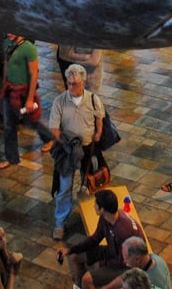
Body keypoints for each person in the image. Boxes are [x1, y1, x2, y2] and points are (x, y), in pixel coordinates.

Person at [49, 64, 105, 240]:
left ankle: (92, 219)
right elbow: (54, 128)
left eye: (75, 83)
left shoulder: (93, 99)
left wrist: (97, 133)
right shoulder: (60, 101)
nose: (71, 86)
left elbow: (99, 117)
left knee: (90, 185)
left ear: (83, 82)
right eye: (69, 83)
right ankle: (60, 223)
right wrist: (65, 143)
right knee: (65, 187)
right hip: (68, 151)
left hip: (88, 150)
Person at [57, 189, 142, 289]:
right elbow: (94, 240)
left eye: (96, 204)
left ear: (102, 209)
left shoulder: (122, 231)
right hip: (114, 253)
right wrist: (70, 250)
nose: (94, 206)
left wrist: (101, 263)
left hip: (126, 266)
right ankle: (80, 286)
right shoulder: (106, 217)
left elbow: (123, 261)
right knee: (75, 256)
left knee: (87, 279)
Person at [0, 32, 54, 169]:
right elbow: (6, 64)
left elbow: (34, 74)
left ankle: (48, 137)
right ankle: (11, 157)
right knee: (9, 125)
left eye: (12, 31)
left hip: (23, 92)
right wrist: (4, 84)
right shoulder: (7, 44)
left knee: (31, 121)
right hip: (10, 90)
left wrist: (30, 99)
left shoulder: (29, 48)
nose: (8, 34)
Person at [103, 236, 171, 289]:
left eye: (126, 259)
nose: (124, 262)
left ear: (137, 259)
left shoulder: (152, 282)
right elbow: (124, 278)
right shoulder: (153, 258)